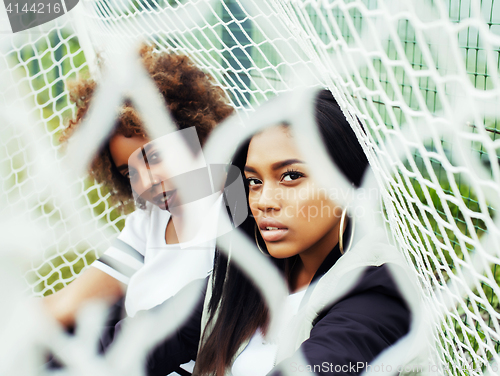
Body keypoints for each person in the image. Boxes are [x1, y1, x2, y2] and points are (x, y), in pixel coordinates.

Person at [139, 90, 413, 375]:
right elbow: (137, 341)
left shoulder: (377, 290)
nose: (263, 201)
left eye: (291, 176)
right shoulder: (242, 280)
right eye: (254, 181)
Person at [42, 46, 234, 327]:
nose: (146, 183)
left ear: (194, 133)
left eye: (154, 157)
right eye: (129, 173)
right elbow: (66, 304)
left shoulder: (239, 205)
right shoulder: (148, 222)